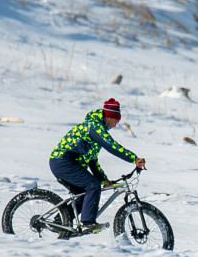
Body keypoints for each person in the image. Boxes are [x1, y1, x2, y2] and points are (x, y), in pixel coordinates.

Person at [49, 98, 146, 234]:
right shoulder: (94, 127)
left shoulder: (97, 130)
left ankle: (60, 222)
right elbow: (111, 146)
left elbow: (92, 161)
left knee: (84, 194)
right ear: (109, 117)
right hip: (63, 161)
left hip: (66, 163)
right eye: (116, 121)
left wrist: (103, 179)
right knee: (92, 186)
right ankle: (88, 223)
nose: (115, 125)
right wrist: (134, 159)